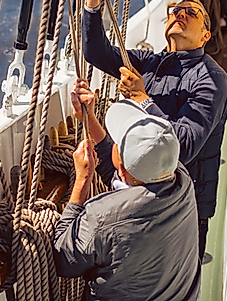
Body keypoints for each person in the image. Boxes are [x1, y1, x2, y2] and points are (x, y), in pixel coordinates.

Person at [81, 0, 227, 258]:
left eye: (191, 13)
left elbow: (184, 146)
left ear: (205, 35)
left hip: (182, 206)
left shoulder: (212, 79)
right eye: (174, 11)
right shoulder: (149, 62)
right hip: (135, 193)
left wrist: (142, 99)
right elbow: (97, 53)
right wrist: (93, 1)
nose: (179, 15)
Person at [53, 92, 201, 301]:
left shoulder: (102, 218)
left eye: (116, 141)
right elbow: (132, 172)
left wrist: (81, 182)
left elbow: (64, 259)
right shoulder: (181, 179)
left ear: (121, 167)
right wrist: (90, 121)